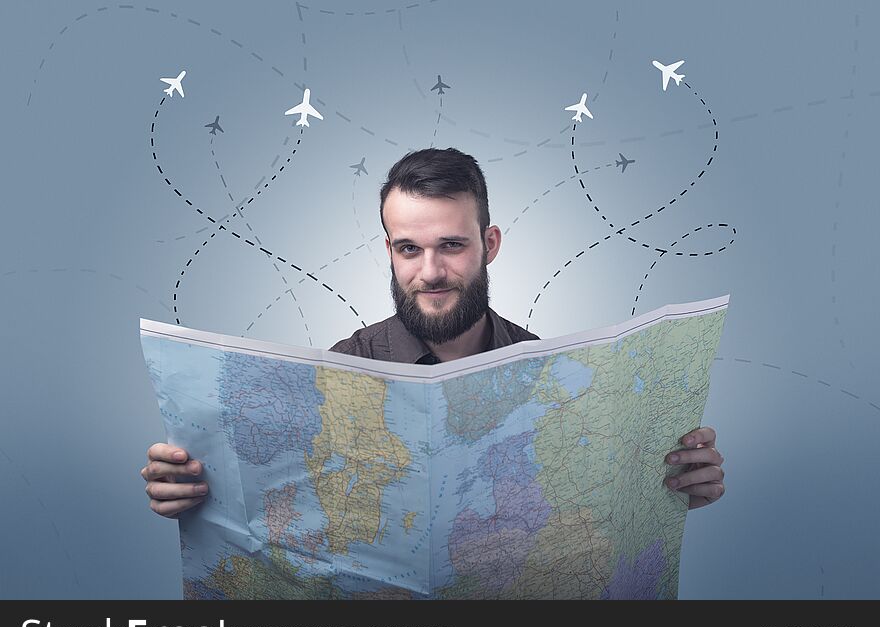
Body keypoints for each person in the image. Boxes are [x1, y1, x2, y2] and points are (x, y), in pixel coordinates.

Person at [142, 148, 725, 518]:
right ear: (389, 251)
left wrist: (672, 487)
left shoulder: (549, 373)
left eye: (452, 245)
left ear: (489, 246)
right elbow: (282, 499)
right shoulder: (337, 371)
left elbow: (588, 503)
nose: (431, 272)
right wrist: (193, 491)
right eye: (408, 249)